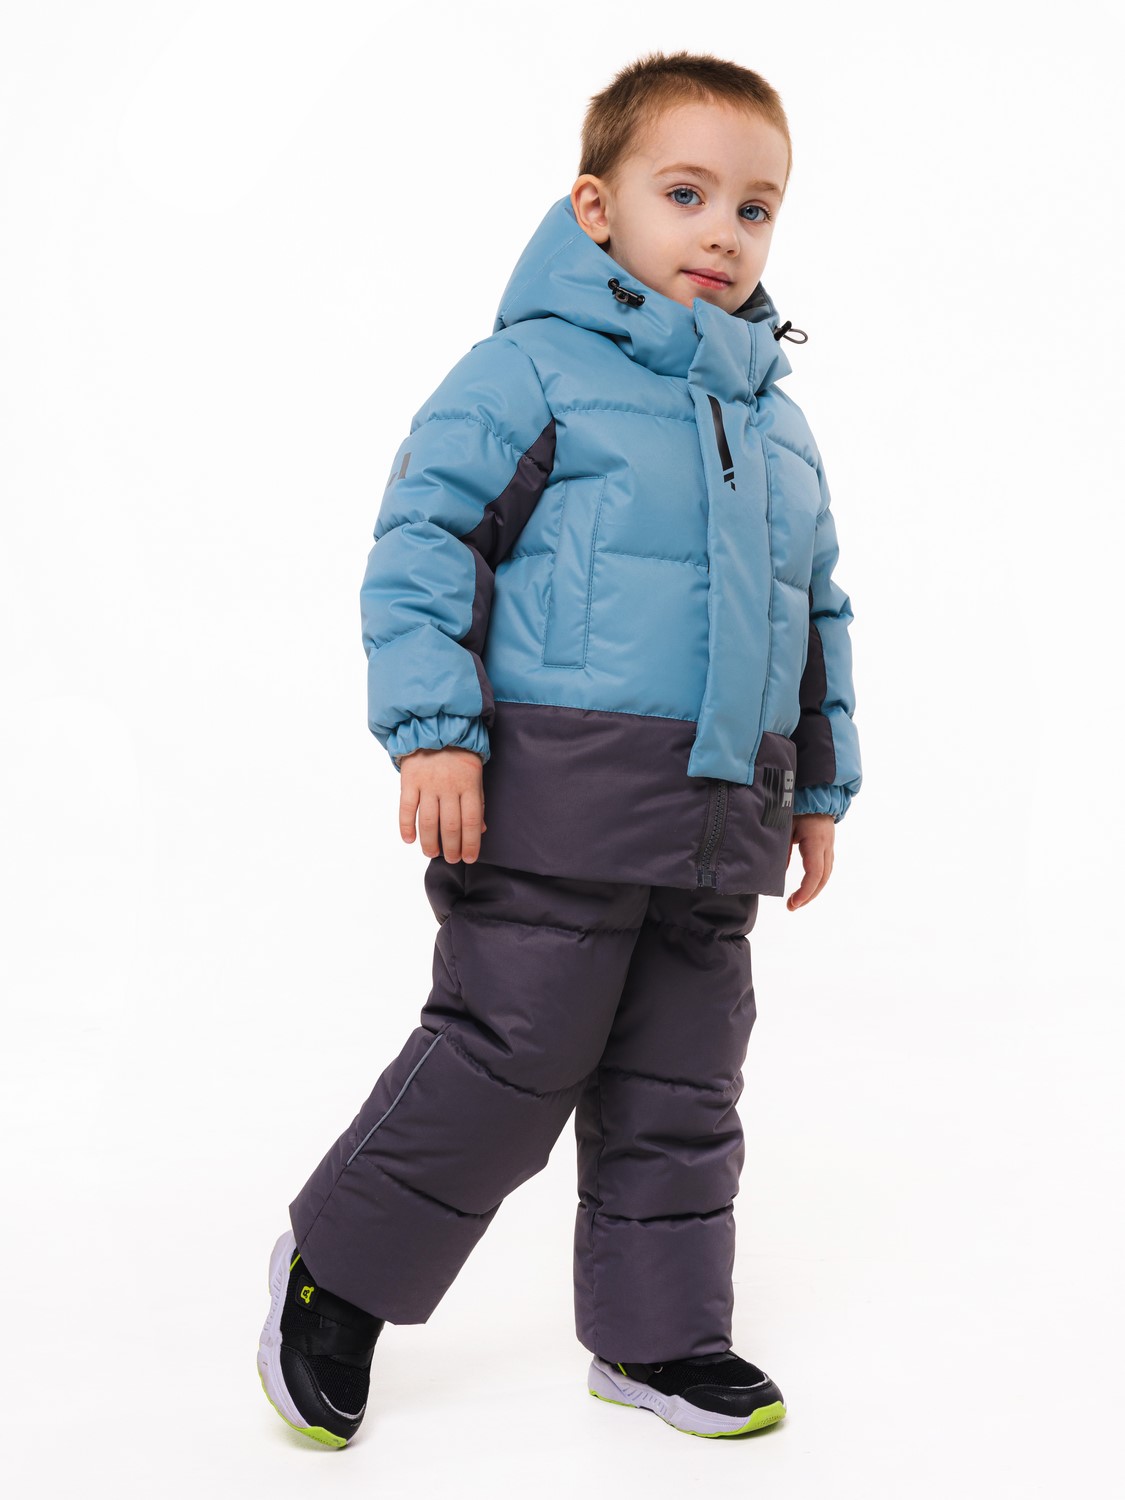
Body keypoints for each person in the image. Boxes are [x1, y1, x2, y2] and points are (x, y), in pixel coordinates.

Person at [257, 48, 862, 1447]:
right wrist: (435, 735)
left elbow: (815, 609)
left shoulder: (777, 424)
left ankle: (660, 1336)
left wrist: (819, 785)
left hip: (721, 814)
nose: (723, 231)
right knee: (509, 1055)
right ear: (597, 207)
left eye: (755, 208)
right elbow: (424, 544)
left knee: (684, 1081)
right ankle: (338, 1270)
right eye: (685, 193)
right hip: (551, 803)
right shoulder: (527, 373)